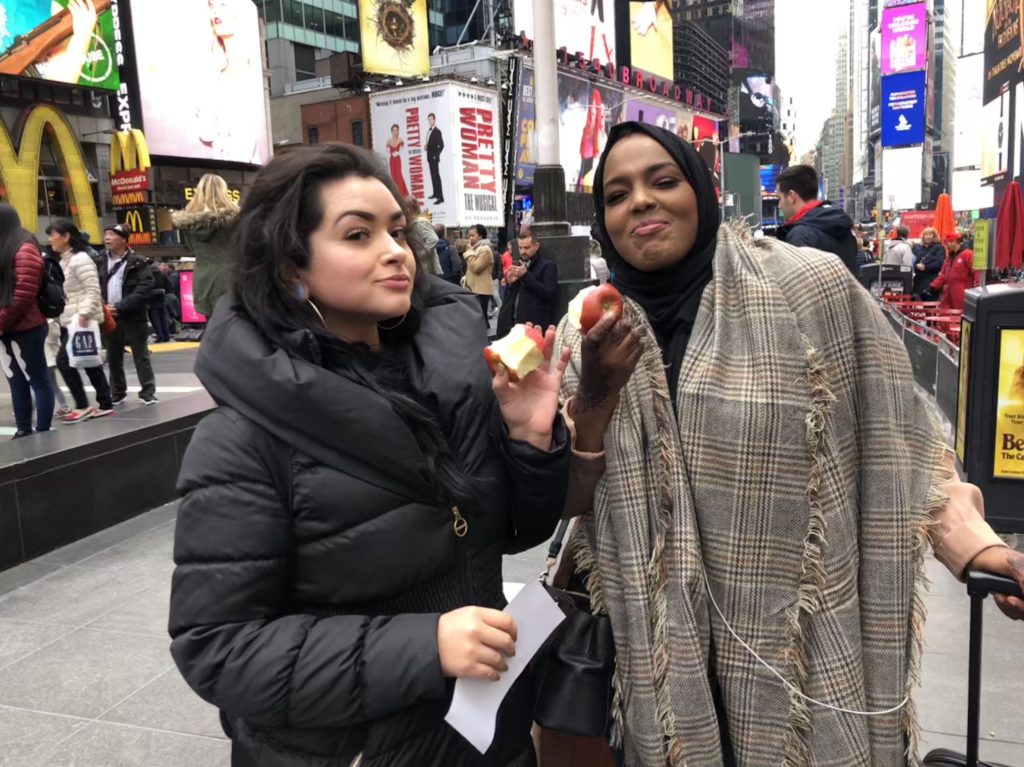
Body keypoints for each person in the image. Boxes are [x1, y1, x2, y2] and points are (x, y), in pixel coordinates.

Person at [554, 122, 1024, 766]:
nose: (640, 201)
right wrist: (598, 395)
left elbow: (901, 440)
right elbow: (569, 496)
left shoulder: (807, 287)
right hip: (659, 655)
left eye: (663, 181)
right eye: (617, 193)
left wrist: (977, 548)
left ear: (700, 189)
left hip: (793, 646)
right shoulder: (584, 331)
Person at [168, 143, 571, 767]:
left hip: (484, 731)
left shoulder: (449, 379)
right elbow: (218, 647)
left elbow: (508, 533)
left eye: (397, 231)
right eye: (358, 234)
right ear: (289, 268)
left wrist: (528, 439)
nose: (395, 251)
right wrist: (425, 644)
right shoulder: (242, 439)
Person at [45, 218, 113, 423]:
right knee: (89, 360)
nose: (50, 240)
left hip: (80, 319)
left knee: (63, 361)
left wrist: (84, 314)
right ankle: (105, 403)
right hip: (72, 319)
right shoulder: (67, 260)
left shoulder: (80, 259)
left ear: (66, 237)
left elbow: (93, 289)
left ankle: (83, 405)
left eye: (53, 235)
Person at [0, 203, 52, 438]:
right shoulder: (8, 247)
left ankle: (42, 431)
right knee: (15, 380)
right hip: (7, 326)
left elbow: (23, 295)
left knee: (37, 379)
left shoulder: (24, 248)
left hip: (26, 326)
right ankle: (23, 429)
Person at [96, 224, 157, 405]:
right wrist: (102, 306)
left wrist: (121, 306)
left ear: (123, 239)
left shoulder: (138, 261)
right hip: (109, 315)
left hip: (132, 315)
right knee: (114, 357)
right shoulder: (99, 260)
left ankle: (147, 391)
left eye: (112, 235)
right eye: (106, 234)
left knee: (141, 355)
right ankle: (117, 392)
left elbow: (144, 287)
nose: (107, 238)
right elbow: (94, 285)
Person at [171, 173, 239, 318]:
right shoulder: (234, 219)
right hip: (230, 277)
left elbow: (190, 249)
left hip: (203, 278)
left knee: (212, 326)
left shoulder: (188, 223)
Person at [775, 164, 858, 273]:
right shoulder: (842, 227)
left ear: (791, 196)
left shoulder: (800, 235)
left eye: (779, 198)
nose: (779, 205)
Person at [497, 230, 559, 337]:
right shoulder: (517, 263)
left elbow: (549, 293)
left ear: (536, 246)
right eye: (520, 248)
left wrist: (525, 275)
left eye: (526, 248)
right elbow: (511, 296)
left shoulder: (548, 266)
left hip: (534, 323)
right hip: (512, 321)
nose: (522, 251)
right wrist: (510, 282)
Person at [932, 233, 976, 312]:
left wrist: (977, 289)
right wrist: (933, 286)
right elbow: (943, 274)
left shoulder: (967, 254)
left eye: (947, 243)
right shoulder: (950, 257)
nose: (946, 245)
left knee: (960, 314)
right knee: (945, 314)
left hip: (962, 292)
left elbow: (976, 272)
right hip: (948, 292)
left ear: (954, 242)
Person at [462, 224, 494, 325]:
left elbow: (476, 268)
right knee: (476, 318)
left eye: (473, 235)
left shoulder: (485, 249)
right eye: (469, 236)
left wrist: (469, 253)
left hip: (481, 290)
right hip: (473, 288)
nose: (470, 238)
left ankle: (487, 338)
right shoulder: (474, 249)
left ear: (481, 236)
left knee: (482, 317)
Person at [404, 196, 442, 276]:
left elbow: (433, 239)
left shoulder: (419, 223)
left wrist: (420, 254)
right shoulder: (412, 223)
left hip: (428, 269)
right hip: (422, 269)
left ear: (409, 209)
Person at [913, 226, 946, 298]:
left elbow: (940, 264)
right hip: (919, 282)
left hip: (931, 282)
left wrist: (925, 266)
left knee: (929, 305)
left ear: (934, 236)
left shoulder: (939, 248)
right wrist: (916, 266)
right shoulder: (921, 248)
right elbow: (915, 263)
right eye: (926, 235)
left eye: (930, 234)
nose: (927, 237)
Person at [426, 112, 445, 203]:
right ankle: (435, 194)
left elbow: (441, 145)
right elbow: (432, 145)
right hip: (430, 158)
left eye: (431, 119)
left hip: (433, 158)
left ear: (434, 120)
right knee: (433, 176)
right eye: (428, 119)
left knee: (436, 176)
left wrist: (435, 156)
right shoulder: (430, 131)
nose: (430, 121)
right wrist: (427, 147)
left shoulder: (437, 131)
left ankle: (440, 197)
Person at [387, 124, 410, 197]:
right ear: (391, 131)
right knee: (393, 176)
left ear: (398, 131)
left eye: (396, 130)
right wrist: (391, 152)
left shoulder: (400, 140)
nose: (395, 132)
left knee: (399, 176)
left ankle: (402, 194)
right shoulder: (389, 140)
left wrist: (397, 152)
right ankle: (396, 194)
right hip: (392, 160)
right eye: (393, 130)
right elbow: (388, 150)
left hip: (397, 160)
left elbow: (403, 150)